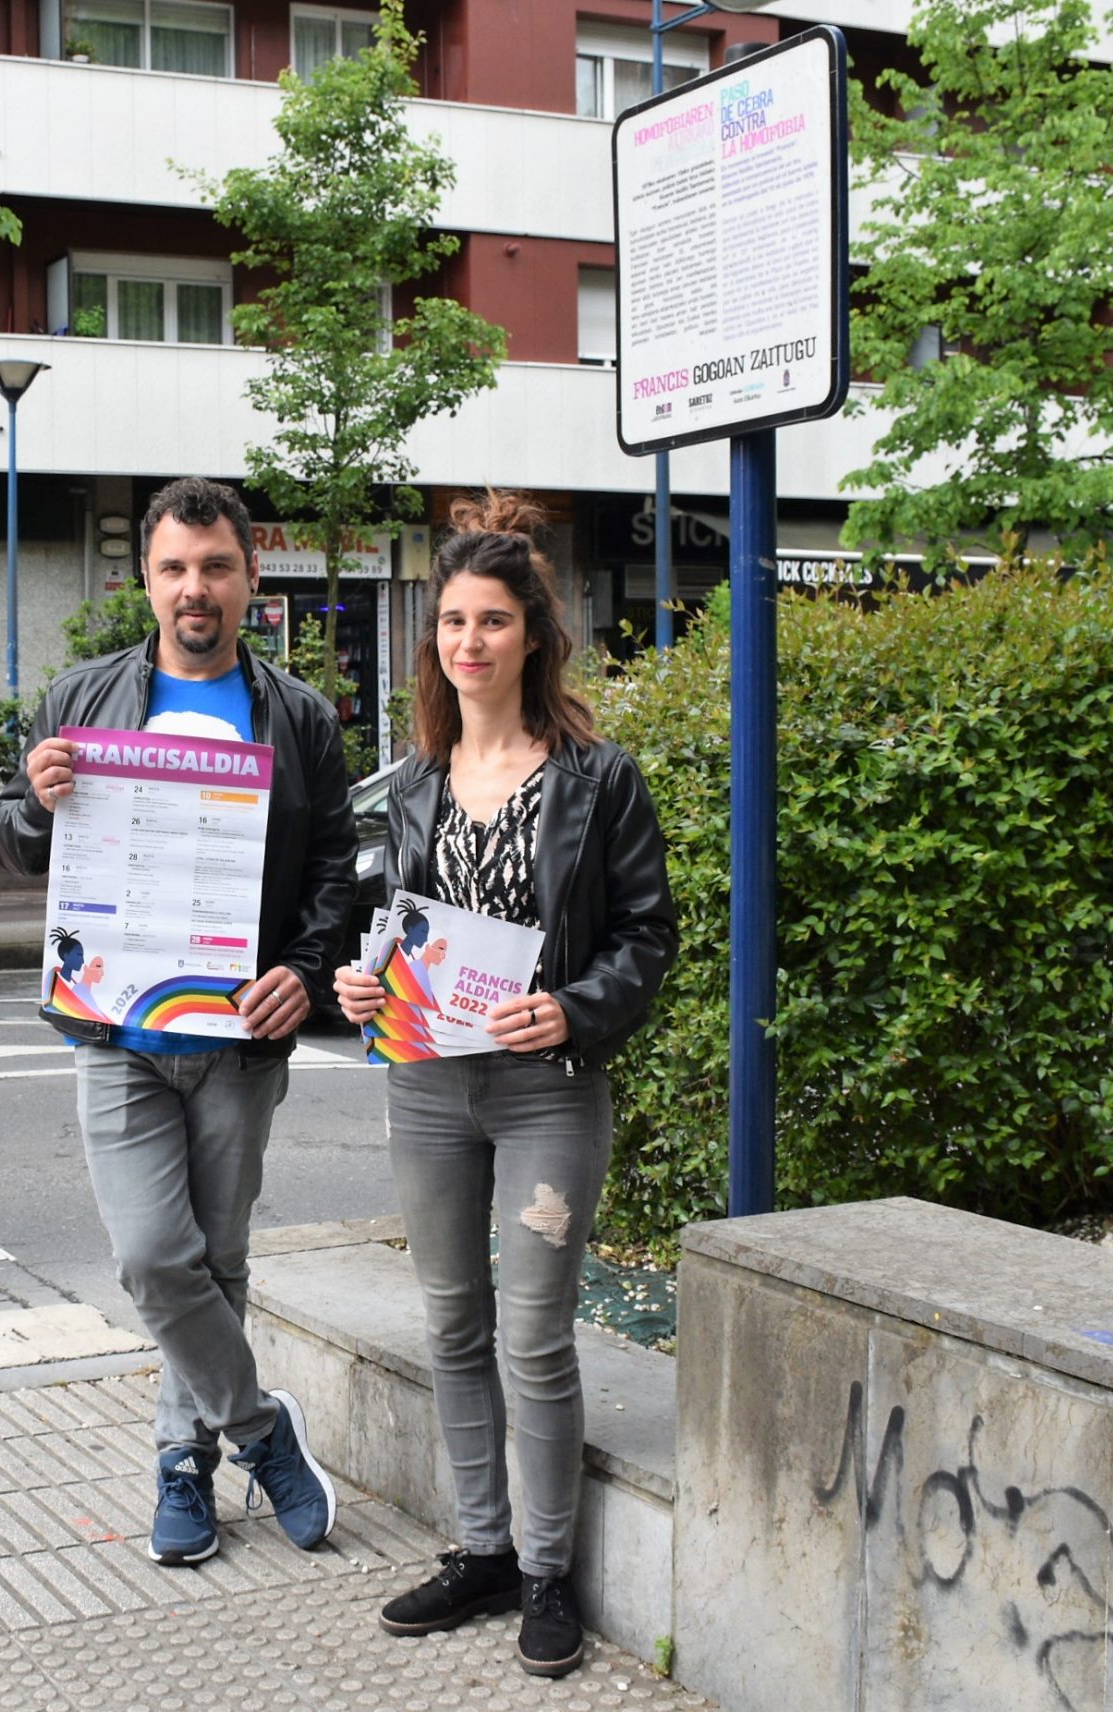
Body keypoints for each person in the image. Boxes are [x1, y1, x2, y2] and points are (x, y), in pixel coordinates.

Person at [333, 492, 677, 1679]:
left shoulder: (595, 777)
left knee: (533, 1333)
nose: (469, 640)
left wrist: (574, 1006)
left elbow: (646, 933)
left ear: (533, 633)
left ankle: (544, 1570)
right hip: (427, 1082)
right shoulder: (415, 779)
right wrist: (363, 983)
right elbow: (394, 926)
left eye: (491, 619)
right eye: (452, 621)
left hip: (545, 1086)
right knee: (450, 1319)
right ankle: (479, 1548)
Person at [0, 476, 356, 1568]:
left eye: (215, 566)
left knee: (218, 1259)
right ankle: (260, 1428)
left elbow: (334, 871)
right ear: (145, 581)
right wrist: (33, 802)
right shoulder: (81, 698)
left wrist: (305, 972)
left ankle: (183, 1462)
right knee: (155, 1258)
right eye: (174, 568)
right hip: (118, 1033)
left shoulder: (299, 716)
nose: (195, 587)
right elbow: (11, 842)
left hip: (239, 1038)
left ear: (250, 576)